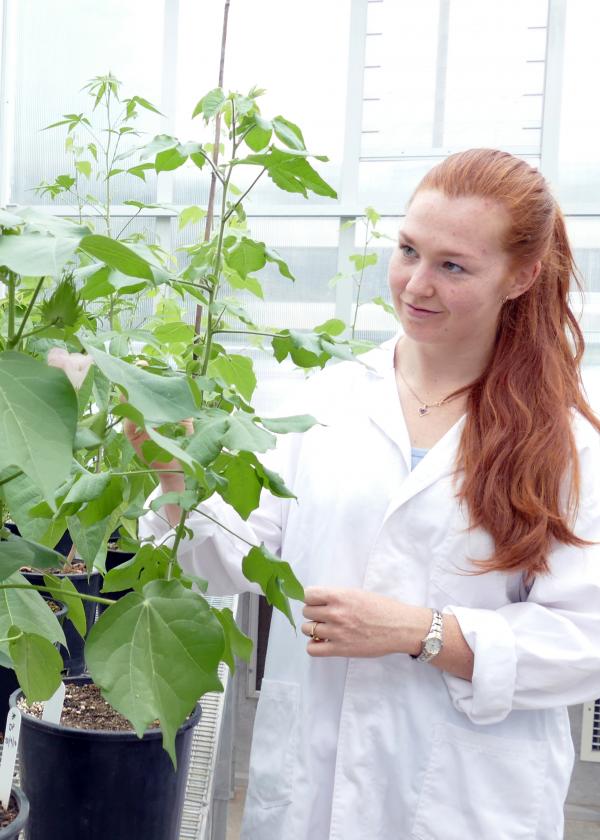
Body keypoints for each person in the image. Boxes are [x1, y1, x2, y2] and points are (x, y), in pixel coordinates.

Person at [133, 148, 600, 840]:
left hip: (464, 797)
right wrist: (169, 471)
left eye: (453, 266)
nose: (416, 283)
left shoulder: (566, 439)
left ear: (521, 276)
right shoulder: (328, 400)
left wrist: (422, 633)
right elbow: (232, 553)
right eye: (408, 249)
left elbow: (583, 640)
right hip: (311, 779)